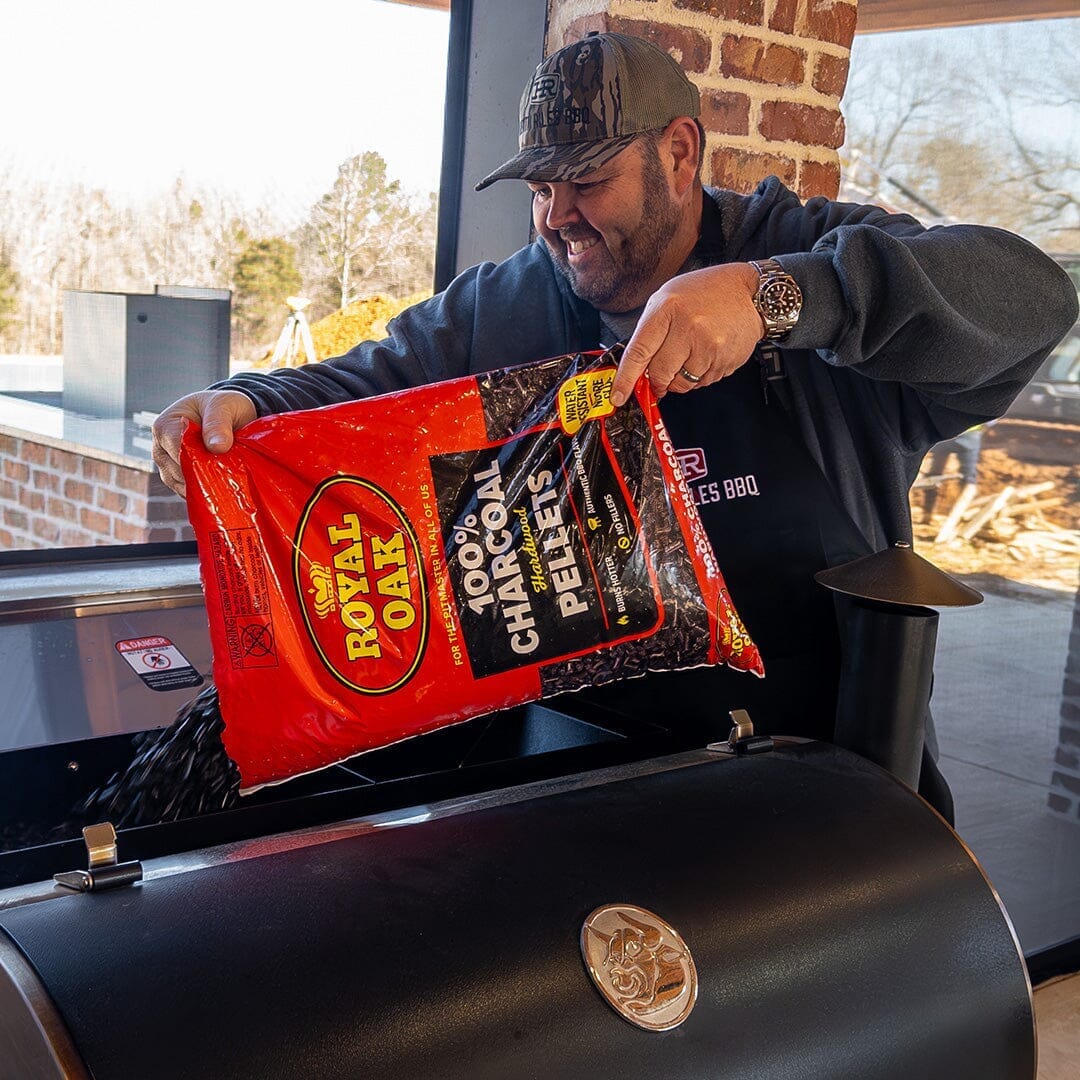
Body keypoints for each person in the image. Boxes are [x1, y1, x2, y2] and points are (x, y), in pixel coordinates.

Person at [152, 32, 1078, 817]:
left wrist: (781, 299)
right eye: (538, 188)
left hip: (808, 798)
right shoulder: (504, 307)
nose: (558, 218)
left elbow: (1034, 298)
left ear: (679, 153)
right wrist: (249, 405)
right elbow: (371, 380)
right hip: (564, 783)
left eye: (587, 181)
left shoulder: (791, 251)